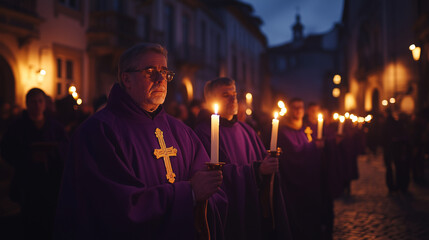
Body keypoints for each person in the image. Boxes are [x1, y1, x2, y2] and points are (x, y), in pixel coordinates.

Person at [54, 43, 226, 239]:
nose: (161, 79)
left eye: (164, 72)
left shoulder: (182, 132)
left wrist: (207, 192)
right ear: (126, 79)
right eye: (150, 71)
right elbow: (115, 209)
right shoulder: (98, 132)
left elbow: (214, 193)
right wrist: (190, 193)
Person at [194, 77, 291, 240]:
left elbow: (262, 163)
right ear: (211, 100)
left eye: (234, 94)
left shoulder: (248, 130)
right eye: (226, 95)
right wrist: (256, 170)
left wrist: (267, 166)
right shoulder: (202, 133)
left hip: (253, 204)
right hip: (231, 211)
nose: (233, 99)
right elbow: (213, 174)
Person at [1, 88, 68, 239]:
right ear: (27, 104)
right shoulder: (17, 127)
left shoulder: (55, 127)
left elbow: (66, 148)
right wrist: (28, 157)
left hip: (52, 183)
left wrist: (52, 154)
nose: (37, 105)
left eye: (40, 101)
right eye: (33, 101)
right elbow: (7, 150)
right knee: (30, 223)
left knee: (50, 222)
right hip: (28, 183)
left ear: (45, 104)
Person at [277, 98, 324, 240]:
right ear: (289, 110)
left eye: (300, 108)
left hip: (310, 183)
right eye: (294, 107)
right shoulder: (283, 131)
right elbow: (293, 153)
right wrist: (313, 147)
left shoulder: (306, 130)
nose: (297, 111)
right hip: (292, 186)